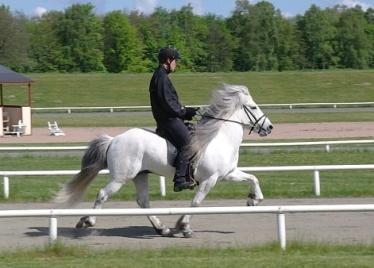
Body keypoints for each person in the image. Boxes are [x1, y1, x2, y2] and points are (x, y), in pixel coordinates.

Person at [149, 46, 198, 192]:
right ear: (168, 60)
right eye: (175, 60)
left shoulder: (161, 76)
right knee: (189, 144)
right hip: (169, 121)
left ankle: (189, 176)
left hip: (169, 119)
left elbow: (170, 102)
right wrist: (184, 111)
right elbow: (168, 104)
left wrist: (186, 111)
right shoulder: (161, 77)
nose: (176, 63)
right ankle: (180, 179)